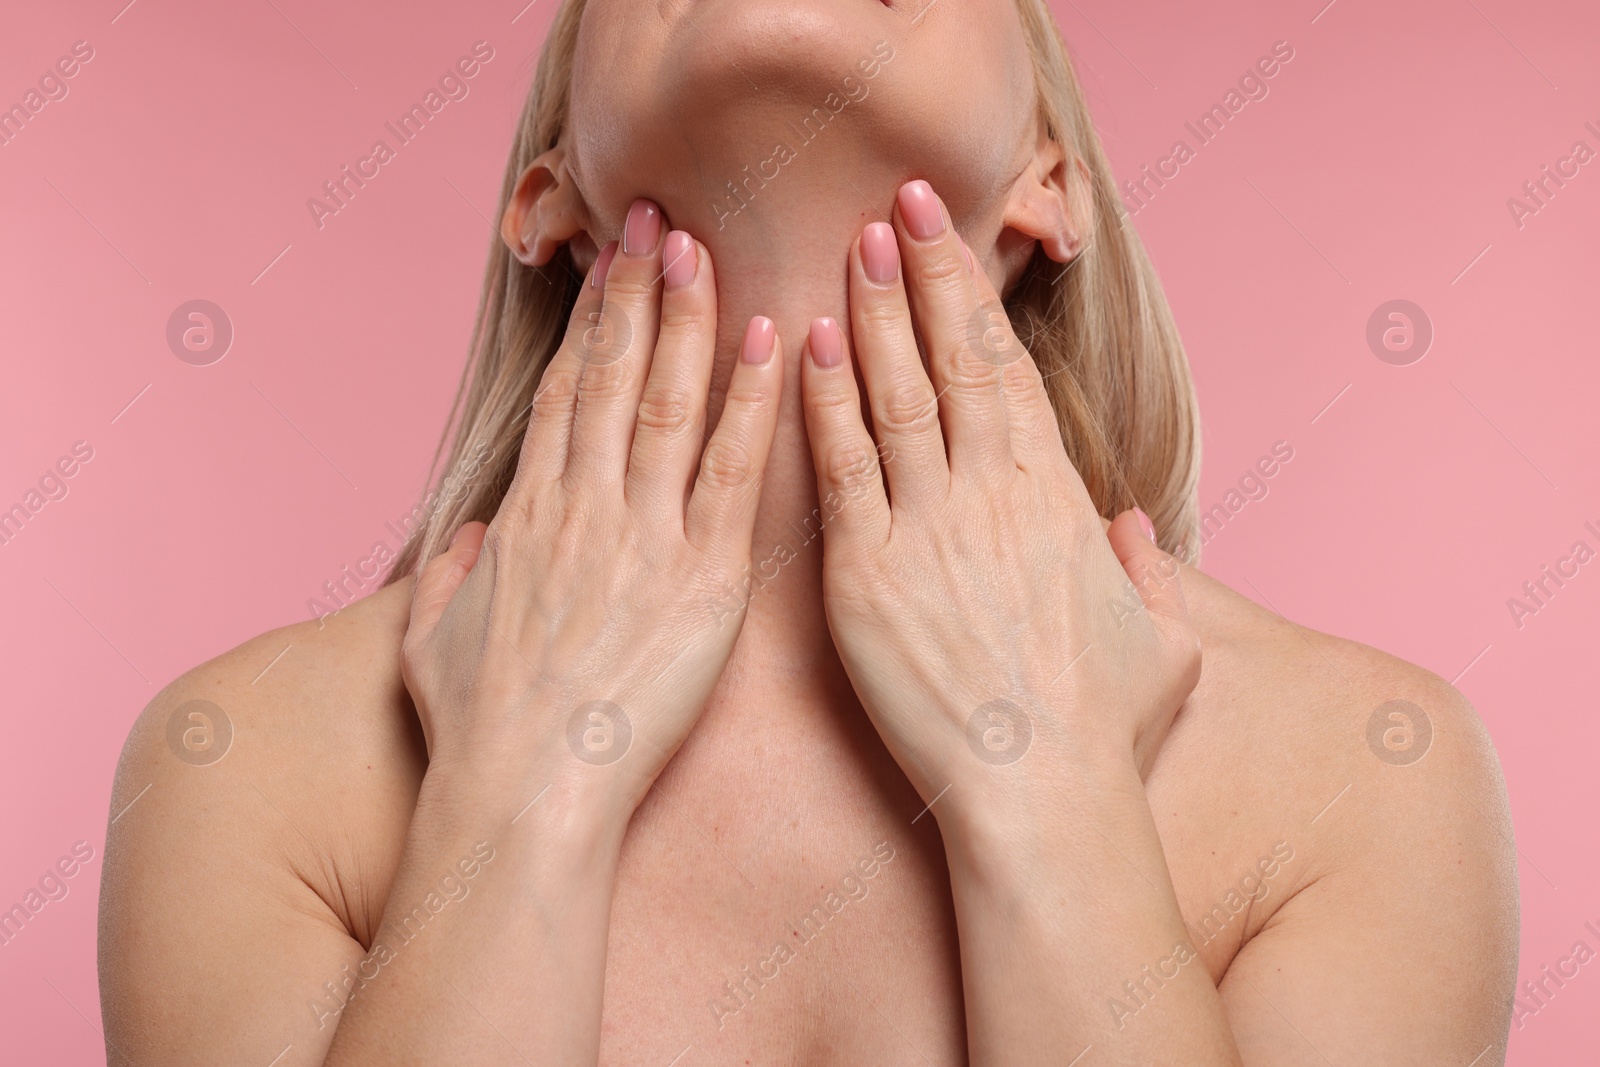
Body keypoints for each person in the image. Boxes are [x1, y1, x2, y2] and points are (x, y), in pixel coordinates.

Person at [98, 0, 1518, 1063]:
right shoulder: (238, 765)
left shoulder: (1370, 773)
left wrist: (1045, 787)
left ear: (1053, 187)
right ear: (550, 201)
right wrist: (527, 785)